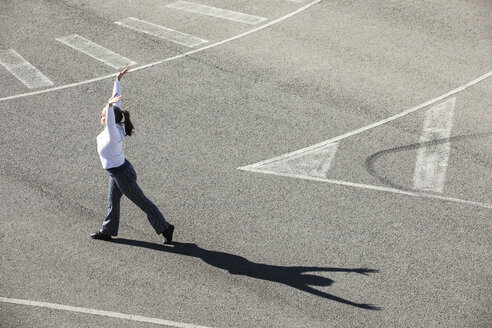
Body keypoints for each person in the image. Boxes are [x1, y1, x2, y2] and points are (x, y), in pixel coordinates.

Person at [91, 66, 174, 244]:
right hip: (118, 172)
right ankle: (107, 230)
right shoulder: (116, 125)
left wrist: (109, 105)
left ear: (109, 119)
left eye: (103, 114)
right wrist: (117, 81)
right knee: (113, 202)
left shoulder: (113, 132)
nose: (101, 114)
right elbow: (117, 106)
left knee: (142, 202)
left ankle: (166, 227)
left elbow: (113, 110)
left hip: (123, 175)